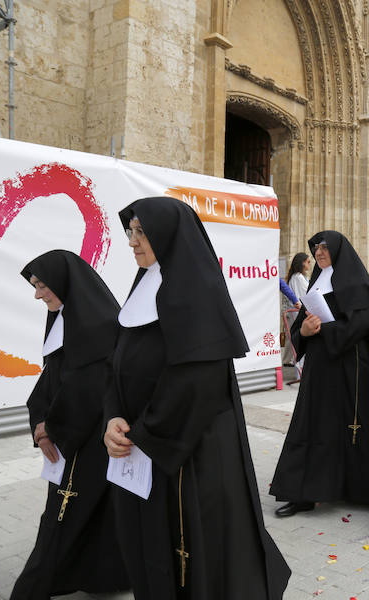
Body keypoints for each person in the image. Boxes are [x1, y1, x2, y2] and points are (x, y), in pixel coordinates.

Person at [102, 197, 290, 599]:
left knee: (190, 559)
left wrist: (144, 433)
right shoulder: (145, 283)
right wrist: (113, 416)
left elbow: (196, 380)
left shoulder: (195, 289)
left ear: (167, 234)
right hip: (144, 443)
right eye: (130, 231)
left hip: (188, 451)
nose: (132, 241)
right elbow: (117, 363)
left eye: (141, 231)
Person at [12, 250, 129, 600]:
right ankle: (101, 577)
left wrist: (53, 427)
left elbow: (91, 388)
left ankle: (30, 591)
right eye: (34, 286)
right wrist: (39, 420)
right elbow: (53, 377)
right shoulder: (66, 315)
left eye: (42, 285)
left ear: (63, 282)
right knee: (89, 514)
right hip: (72, 432)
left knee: (62, 517)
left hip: (90, 437)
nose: (37, 294)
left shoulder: (98, 323)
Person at [270, 231, 369, 517]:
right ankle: (304, 492)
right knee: (315, 423)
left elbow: (362, 324)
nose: (318, 252)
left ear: (338, 250)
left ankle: (363, 489)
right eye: (315, 248)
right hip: (321, 366)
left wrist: (323, 330)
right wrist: (304, 330)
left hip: (352, 366)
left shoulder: (356, 281)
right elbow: (303, 323)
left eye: (324, 248)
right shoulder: (316, 282)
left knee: (354, 423)